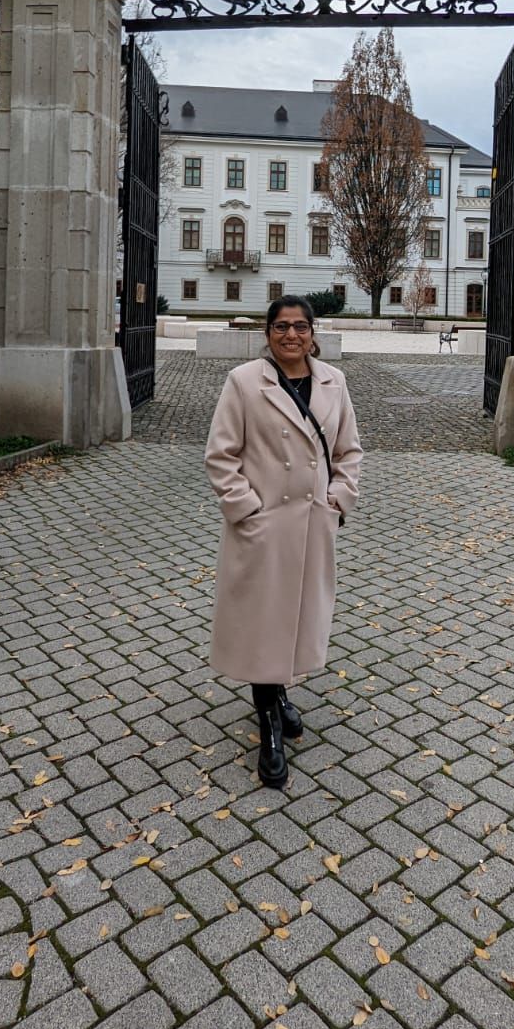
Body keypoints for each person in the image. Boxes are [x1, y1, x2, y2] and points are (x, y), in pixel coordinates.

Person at [204, 295, 363, 788]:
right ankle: (270, 725)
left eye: (299, 326)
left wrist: (338, 499)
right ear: (267, 333)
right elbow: (221, 455)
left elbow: (349, 451)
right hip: (265, 526)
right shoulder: (244, 382)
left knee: (295, 618)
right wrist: (247, 510)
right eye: (281, 326)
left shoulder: (335, 382)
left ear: (313, 333)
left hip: (312, 525)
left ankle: (280, 694)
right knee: (263, 623)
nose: (291, 335)